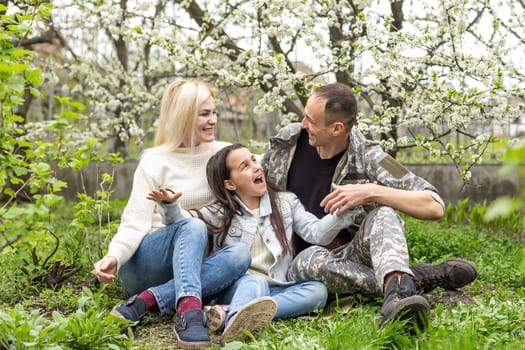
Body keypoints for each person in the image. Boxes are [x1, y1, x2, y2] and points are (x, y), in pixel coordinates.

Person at [261, 82, 478, 329]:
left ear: (336, 128)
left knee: (384, 214)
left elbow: (434, 205)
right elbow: (253, 182)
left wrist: (371, 192)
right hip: (299, 263)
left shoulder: (371, 157)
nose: (302, 124)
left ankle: (397, 301)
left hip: (349, 254)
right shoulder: (287, 143)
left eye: (310, 120)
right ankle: (408, 282)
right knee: (309, 260)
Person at [147, 144, 361, 345]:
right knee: (255, 283)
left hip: (277, 288)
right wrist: (170, 205)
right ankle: (236, 321)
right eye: (245, 167)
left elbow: (317, 233)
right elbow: (186, 225)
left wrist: (346, 210)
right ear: (230, 184)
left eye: (253, 160)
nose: (256, 167)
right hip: (241, 287)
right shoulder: (220, 213)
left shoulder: (286, 202)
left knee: (318, 292)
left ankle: (229, 312)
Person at [93, 79, 251, 350]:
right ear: (184, 116)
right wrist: (114, 256)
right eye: (204, 114)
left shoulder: (224, 155)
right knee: (194, 226)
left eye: (214, 113)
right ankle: (189, 314)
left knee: (240, 255)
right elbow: (134, 222)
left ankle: (148, 301)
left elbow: (261, 169)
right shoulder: (155, 162)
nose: (213, 120)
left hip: (190, 267)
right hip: (147, 263)